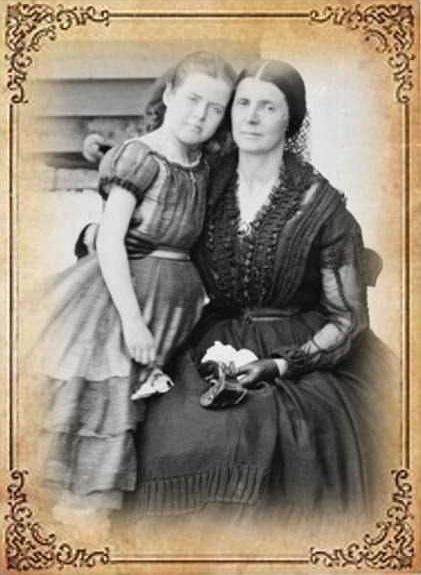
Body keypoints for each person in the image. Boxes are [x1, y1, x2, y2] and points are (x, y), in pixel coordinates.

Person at [118, 59, 396, 527]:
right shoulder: (203, 183)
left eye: (267, 107)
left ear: (291, 119)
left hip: (301, 349)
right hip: (212, 340)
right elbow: (153, 233)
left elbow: (347, 320)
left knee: (260, 431)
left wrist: (282, 364)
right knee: (168, 428)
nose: (250, 117)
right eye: (242, 103)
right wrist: (102, 235)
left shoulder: (322, 206)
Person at [32, 51, 236, 532]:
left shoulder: (202, 165)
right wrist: (132, 322)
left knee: (155, 415)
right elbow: (109, 239)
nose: (200, 116)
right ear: (169, 94)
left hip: (176, 306)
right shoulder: (140, 156)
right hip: (123, 303)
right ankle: (81, 527)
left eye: (214, 108)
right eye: (192, 100)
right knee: (109, 408)